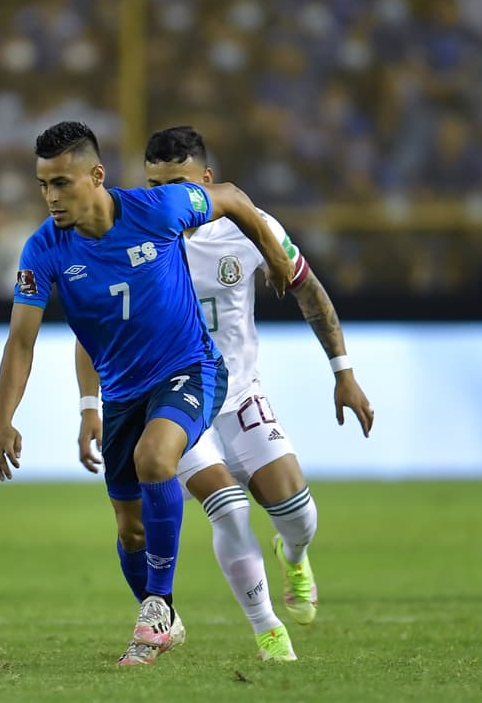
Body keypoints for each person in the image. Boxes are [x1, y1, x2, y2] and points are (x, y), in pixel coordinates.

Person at [0, 121, 293, 665]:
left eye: (62, 182)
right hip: (124, 394)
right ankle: (164, 617)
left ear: (96, 176)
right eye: (43, 185)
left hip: (191, 369)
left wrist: (274, 254)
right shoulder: (45, 249)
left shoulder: (158, 209)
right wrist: (2, 418)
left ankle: (156, 607)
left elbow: (234, 199)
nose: (51, 196)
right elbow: (21, 341)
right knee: (130, 532)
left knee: (157, 459)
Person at [76, 126, 375, 661]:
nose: (162, 195)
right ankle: (267, 631)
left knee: (295, 510)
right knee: (228, 509)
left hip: (237, 394)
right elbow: (96, 325)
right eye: (151, 184)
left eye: (176, 184)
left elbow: (307, 287)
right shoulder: (134, 236)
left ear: (204, 183)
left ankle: (295, 553)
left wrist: (343, 371)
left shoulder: (249, 230)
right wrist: (91, 404)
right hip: (171, 398)